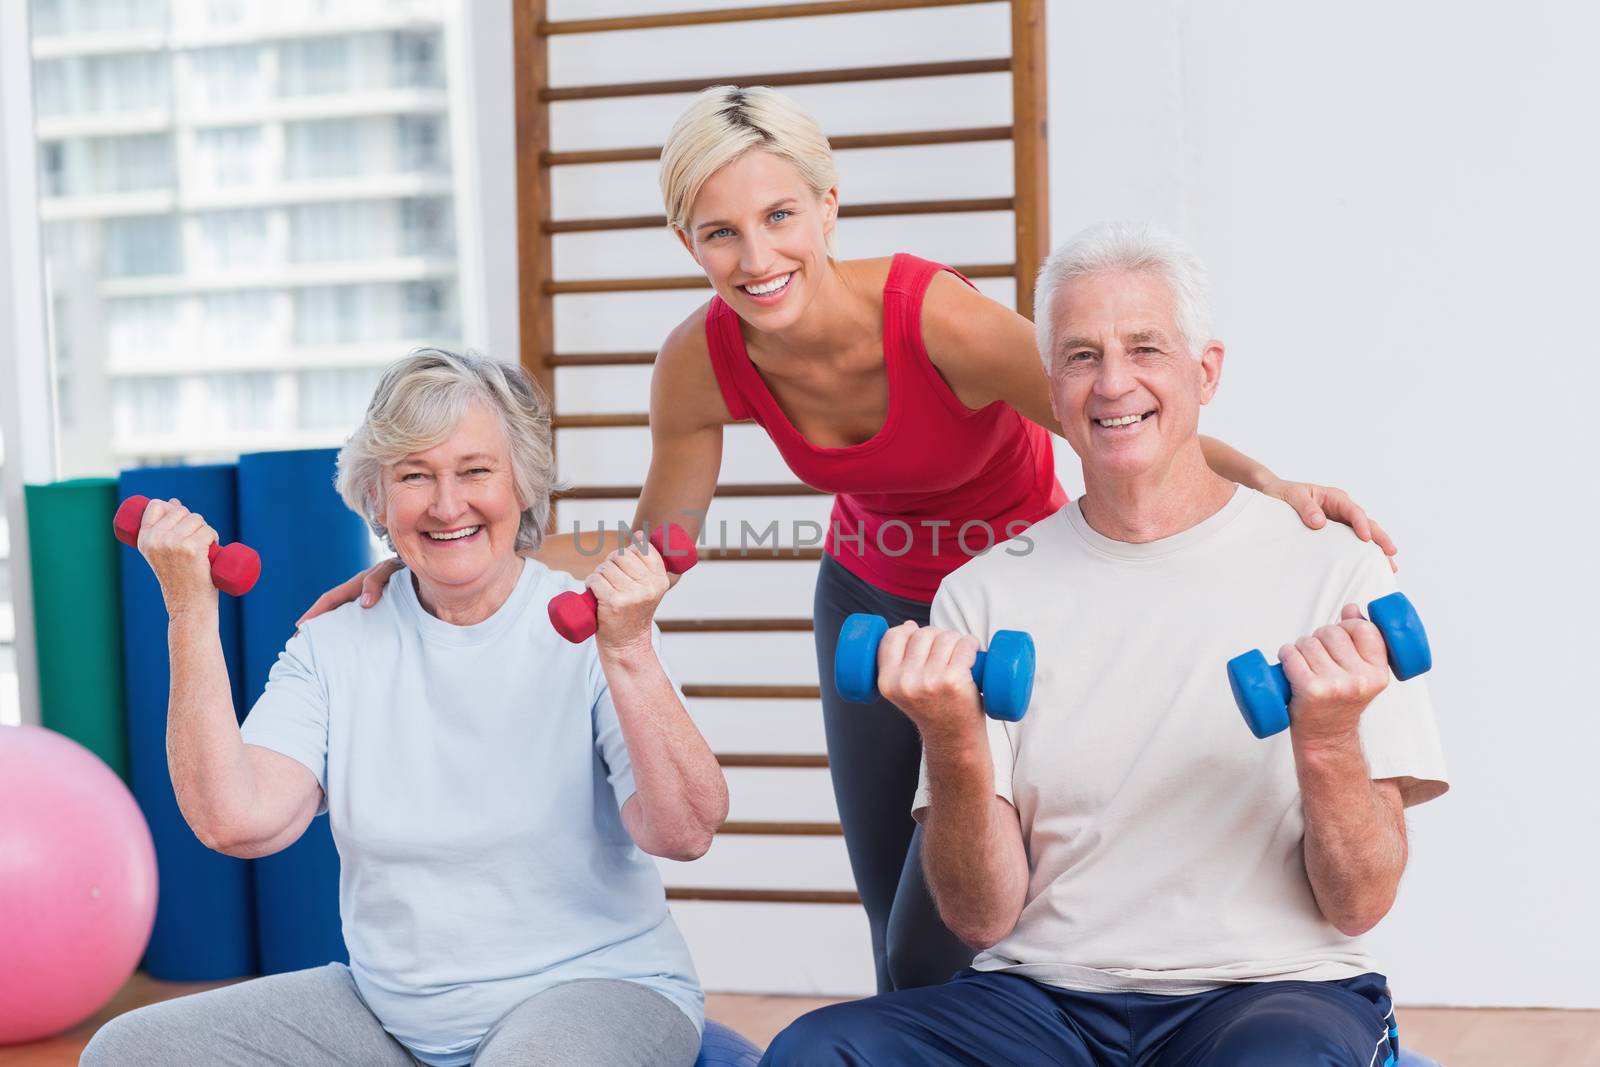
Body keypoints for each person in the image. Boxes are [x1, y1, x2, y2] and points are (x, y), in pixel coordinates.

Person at [302, 87, 1399, 995]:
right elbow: (663, 539)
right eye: (720, 231)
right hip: (868, 607)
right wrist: (459, 554)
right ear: (685, 239)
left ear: (828, 207)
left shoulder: (937, 319)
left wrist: (1271, 483)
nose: (755, 254)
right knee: (898, 931)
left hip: (1013, 607)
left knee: (975, 912)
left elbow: (1123, 413)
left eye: (779, 216)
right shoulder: (698, 359)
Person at [759, 222, 1449, 1066]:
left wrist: (1331, 739)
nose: (1113, 382)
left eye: (1145, 348)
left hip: (1273, 990)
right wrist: (951, 736)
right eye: (1082, 356)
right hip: (1043, 1000)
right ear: (1051, 388)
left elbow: (1361, 902)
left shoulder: (1337, 573)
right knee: (816, 1050)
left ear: (1207, 371)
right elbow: (980, 918)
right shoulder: (981, 593)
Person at [81, 350, 726, 1067]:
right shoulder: (333, 643)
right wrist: (188, 611)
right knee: (130, 1051)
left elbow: (684, 830)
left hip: (595, 988)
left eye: (475, 470)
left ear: (523, 485)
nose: (447, 504)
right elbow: (235, 819)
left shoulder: (596, 634)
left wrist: (631, 650)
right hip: (391, 1017)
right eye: (415, 475)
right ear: (379, 502)